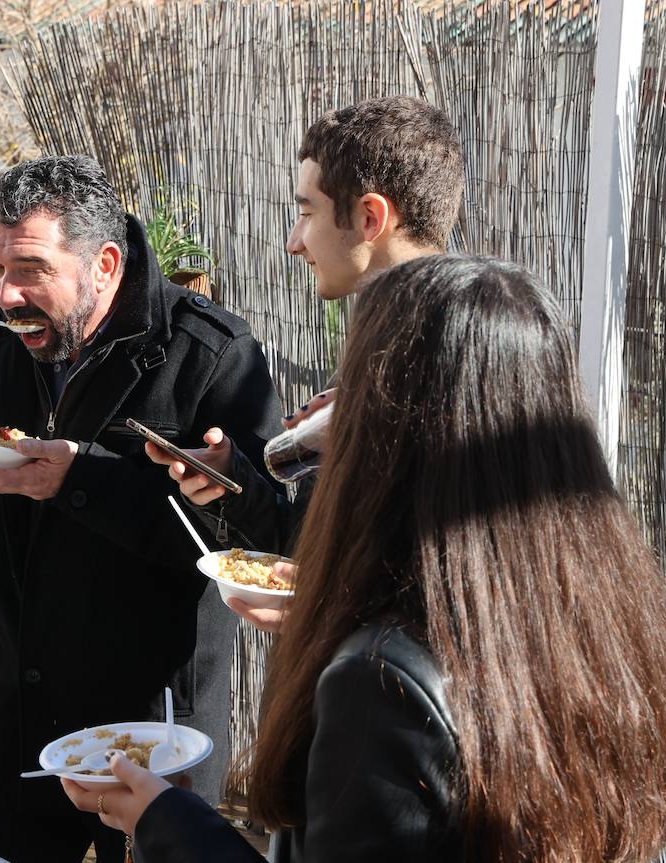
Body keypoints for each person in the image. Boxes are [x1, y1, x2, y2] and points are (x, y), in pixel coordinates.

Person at [62, 256, 666, 862]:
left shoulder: (381, 682)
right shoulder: (604, 629)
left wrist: (168, 820)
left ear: (391, 429)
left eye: (357, 390)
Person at [0, 155, 285, 862]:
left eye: (29, 269)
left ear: (105, 263)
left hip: (153, 729)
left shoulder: (208, 351)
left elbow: (253, 531)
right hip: (17, 719)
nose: (4, 292)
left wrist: (81, 480)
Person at [146, 96, 465, 630]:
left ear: (370, 217)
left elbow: (464, 582)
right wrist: (231, 487)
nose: (294, 242)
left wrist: (325, 609)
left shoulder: (457, 361)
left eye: (306, 213)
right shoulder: (381, 345)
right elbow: (308, 548)